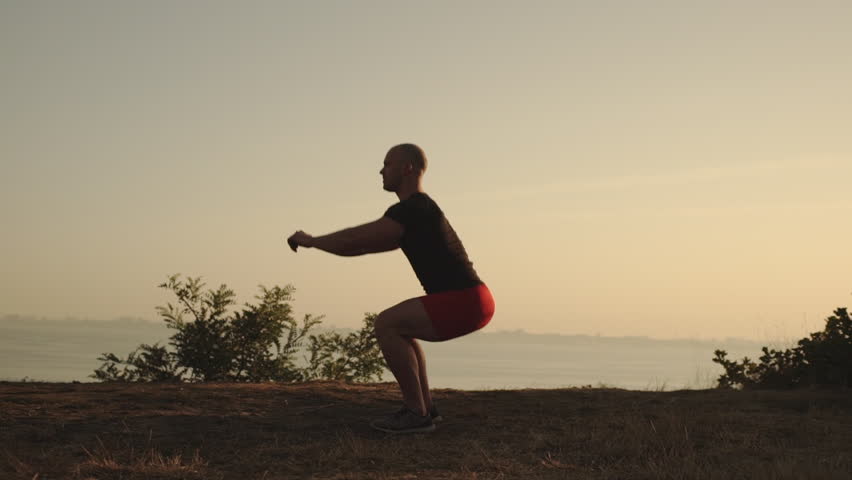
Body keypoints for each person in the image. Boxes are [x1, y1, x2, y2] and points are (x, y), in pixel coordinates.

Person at [287, 143, 495, 434]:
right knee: (400, 327)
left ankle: (415, 413)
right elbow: (359, 247)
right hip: (474, 300)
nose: (381, 170)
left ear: (407, 168)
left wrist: (311, 240)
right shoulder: (417, 210)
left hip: (465, 301)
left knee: (387, 323)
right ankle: (425, 409)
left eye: (387, 164)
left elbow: (354, 239)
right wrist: (319, 244)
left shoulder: (414, 209)